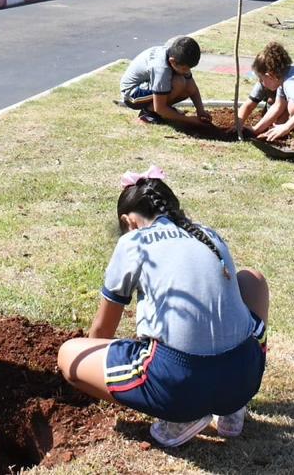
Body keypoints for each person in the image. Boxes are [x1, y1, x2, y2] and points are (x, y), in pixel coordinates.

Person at [56, 170, 268, 449]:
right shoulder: (208, 234)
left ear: (128, 222)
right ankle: (231, 410)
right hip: (244, 377)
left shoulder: (133, 242)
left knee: (69, 354)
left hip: (179, 385)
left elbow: (103, 330)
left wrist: (87, 376)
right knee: (252, 279)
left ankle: (181, 418)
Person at [119, 36, 212, 127]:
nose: (187, 72)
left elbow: (192, 89)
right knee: (179, 82)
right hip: (131, 94)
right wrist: (190, 120)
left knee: (185, 86)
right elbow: (160, 108)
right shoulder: (161, 69)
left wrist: (201, 111)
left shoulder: (175, 54)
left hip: (147, 85)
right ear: (173, 61)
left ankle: (161, 110)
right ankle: (148, 113)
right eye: (184, 69)